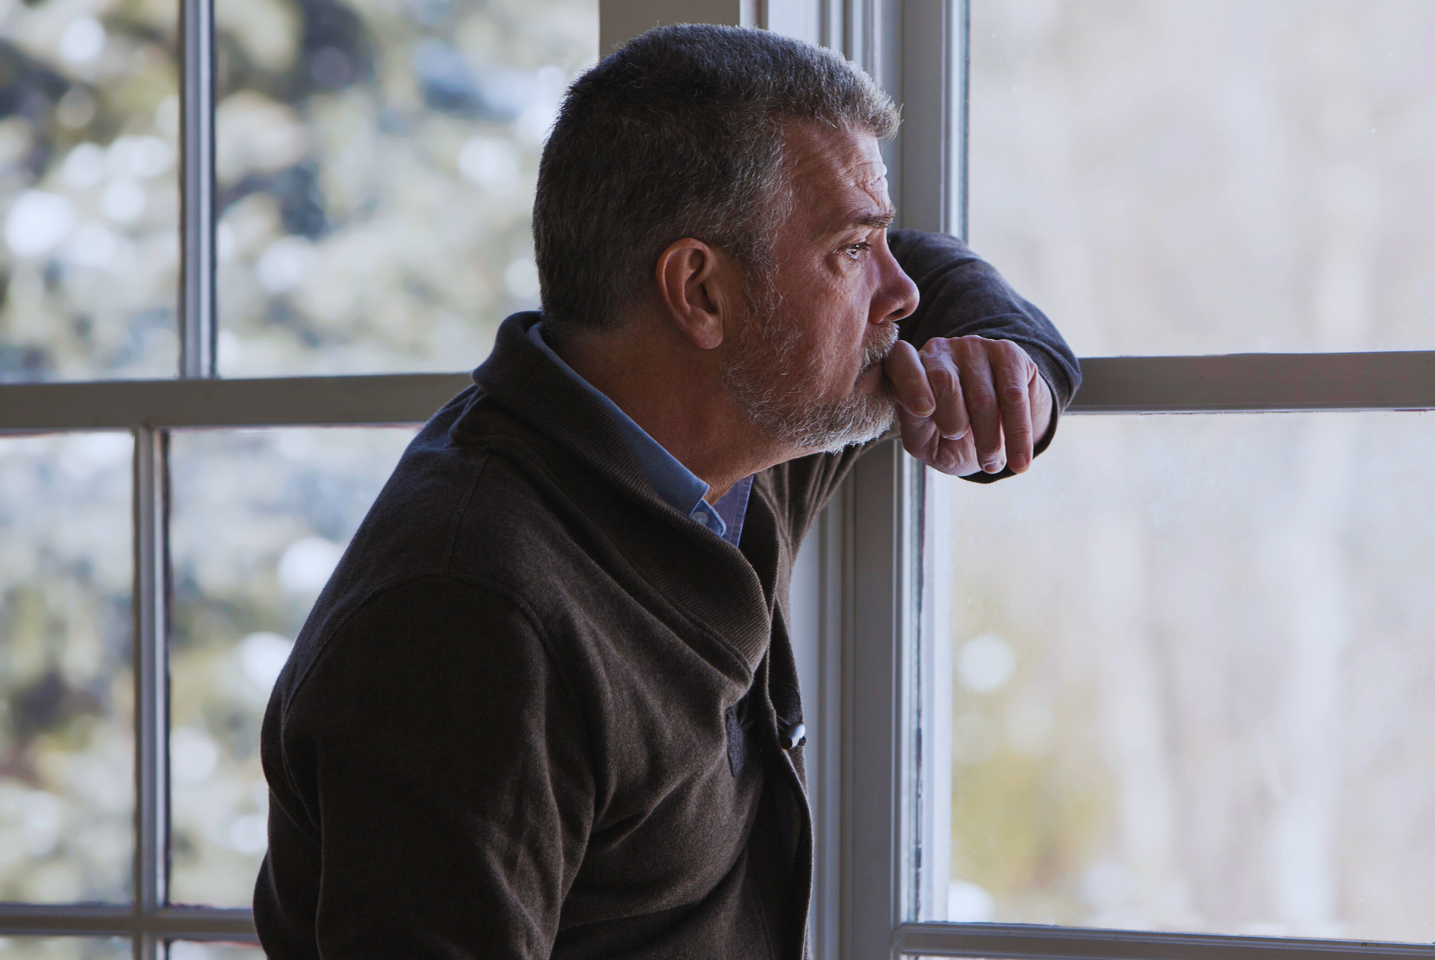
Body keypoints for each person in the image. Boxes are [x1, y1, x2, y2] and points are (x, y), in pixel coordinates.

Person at [250, 22, 1079, 960]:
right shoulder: (468, 621)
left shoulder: (728, 417)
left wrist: (1016, 370)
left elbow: (926, 270)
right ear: (701, 292)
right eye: (852, 252)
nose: (898, 298)